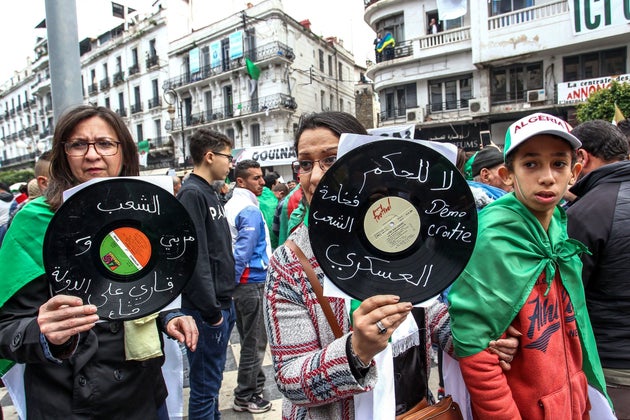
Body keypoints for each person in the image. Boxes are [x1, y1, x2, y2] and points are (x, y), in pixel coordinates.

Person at [263, 111, 518, 419]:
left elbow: (426, 310)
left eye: (330, 159)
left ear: (364, 164)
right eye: (305, 164)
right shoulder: (290, 263)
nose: (315, 176)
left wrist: (478, 337)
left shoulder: (397, 234)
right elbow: (289, 379)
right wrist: (357, 351)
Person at [0, 105, 198, 419]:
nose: (93, 154)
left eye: (105, 143)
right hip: (69, 405)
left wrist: (167, 316)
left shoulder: (149, 215)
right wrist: (43, 333)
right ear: (63, 154)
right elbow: (6, 330)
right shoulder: (31, 223)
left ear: (124, 152)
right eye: (79, 144)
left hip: (143, 394)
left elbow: (141, 291)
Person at [448, 112, 611, 419]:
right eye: (531, 164)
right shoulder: (491, 239)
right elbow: (477, 352)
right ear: (508, 174)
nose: (547, 176)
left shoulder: (559, 230)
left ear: (575, 172)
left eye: (558, 164)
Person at [566, 120, 630, 419]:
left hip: (612, 369)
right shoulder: (588, 207)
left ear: (582, 159)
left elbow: (568, 297)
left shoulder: (588, 212)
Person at [176, 128, 236, 420]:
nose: (231, 163)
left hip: (222, 302)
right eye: (228, 156)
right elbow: (194, 257)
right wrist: (211, 311)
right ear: (209, 156)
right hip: (207, 310)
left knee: (211, 385)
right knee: (204, 387)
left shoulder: (208, 192)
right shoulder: (191, 193)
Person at [224, 159, 272, 414]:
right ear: (240, 181)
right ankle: (245, 396)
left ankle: (254, 389)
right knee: (255, 343)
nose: (262, 182)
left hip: (244, 285)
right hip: (251, 283)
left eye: (262, 177)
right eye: (256, 178)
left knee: (249, 341)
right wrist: (232, 284)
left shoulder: (233, 204)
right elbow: (242, 252)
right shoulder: (248, 209)